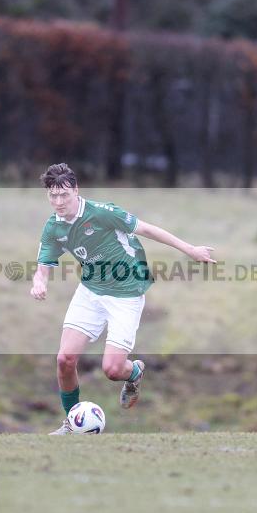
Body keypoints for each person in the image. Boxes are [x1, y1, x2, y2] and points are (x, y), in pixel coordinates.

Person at [30, 163, 215, 434]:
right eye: (53, 196)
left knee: (113, 370)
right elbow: (43, 265)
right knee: (64, 360)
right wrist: (39, 282)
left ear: (77, 191)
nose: (58, 202)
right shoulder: (53, 228)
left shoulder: (103, 213)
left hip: (126, 294)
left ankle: (135, 372)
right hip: (91, 291)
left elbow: (148, 230)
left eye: (64, 195)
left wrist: (190, 249)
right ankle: (72, 422)